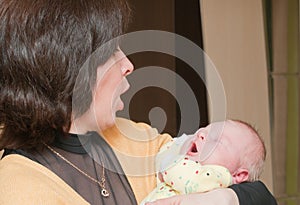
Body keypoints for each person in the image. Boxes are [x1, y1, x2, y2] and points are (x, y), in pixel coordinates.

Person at [0, 0, 277, 205]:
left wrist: (224, 199)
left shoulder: (136, 139)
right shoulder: (18, 189)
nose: (129, 64)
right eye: (111, 53)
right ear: (68, 69)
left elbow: (260, 194)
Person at [141, 119, 266, 204]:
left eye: (216, 140)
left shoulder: (212, 177)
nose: (200, 134)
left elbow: (171, 165)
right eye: (205, 129)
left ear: (239, 175)